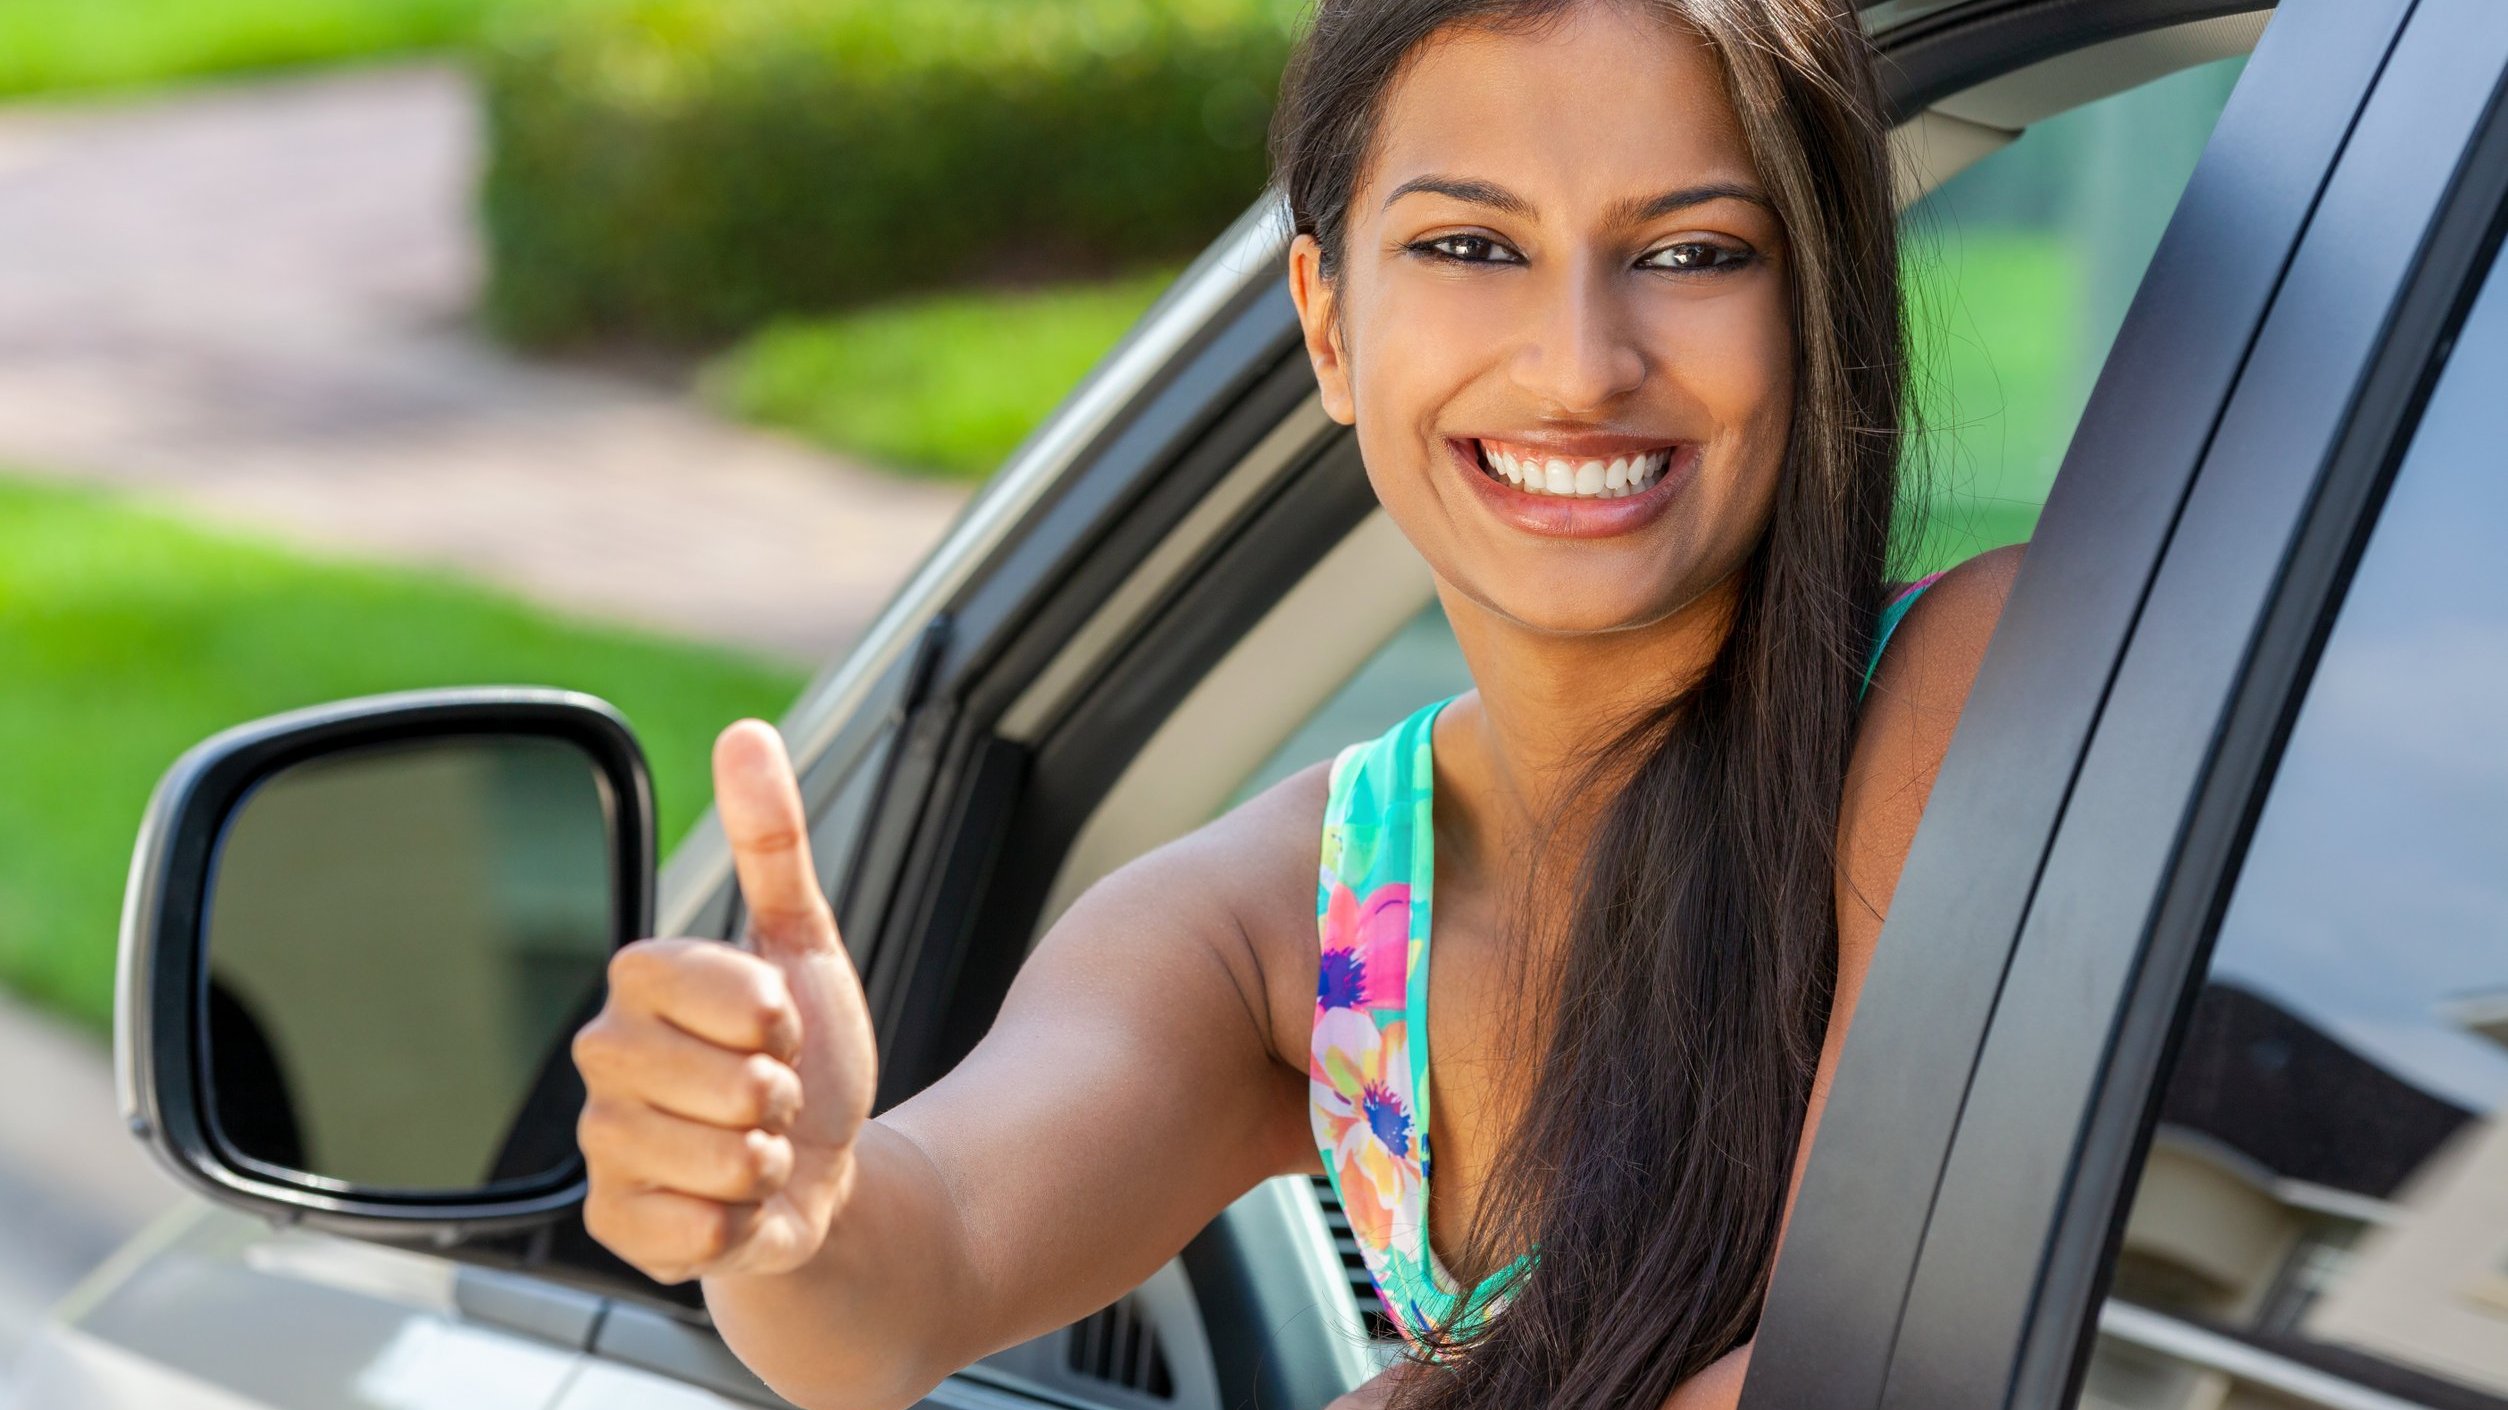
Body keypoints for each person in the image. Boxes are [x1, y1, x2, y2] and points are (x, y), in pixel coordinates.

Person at [567, 1, 2024, 1406]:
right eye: (1469, 244)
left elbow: (1863, 1371)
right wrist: (789, 1210)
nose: (1582, 365)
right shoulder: (1301, 926)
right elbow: (921, 1256)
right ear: (1327, 326)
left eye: (1695, 251)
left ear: (1817, 298)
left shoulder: (1978, 689)